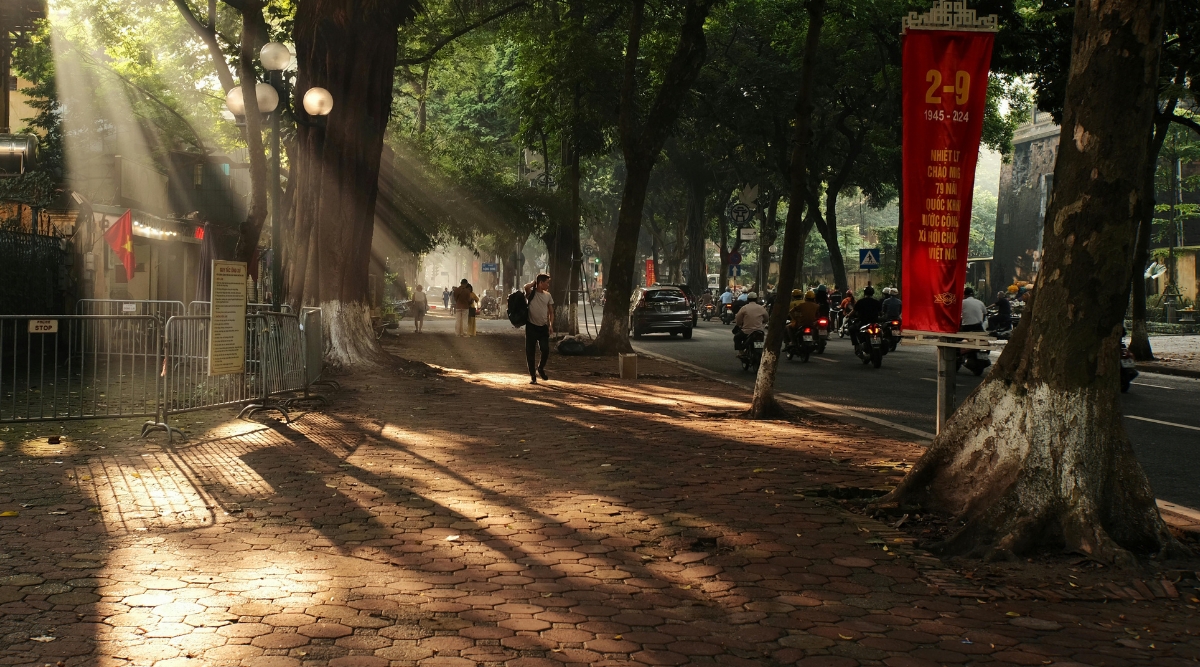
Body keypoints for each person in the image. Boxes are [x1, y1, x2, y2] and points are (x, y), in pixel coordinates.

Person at [524, 273, 554, 384]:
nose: (548, 285)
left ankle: (540, 368)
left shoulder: (548, 296)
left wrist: (550, 325)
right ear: (540, 283)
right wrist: (533, 283)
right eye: (546, 282)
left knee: (545, 349)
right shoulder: (531, 294)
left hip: (543, 327)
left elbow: (551, 312)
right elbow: (526, 287)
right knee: (530, 352)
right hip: (531, 326)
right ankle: (533, 375)